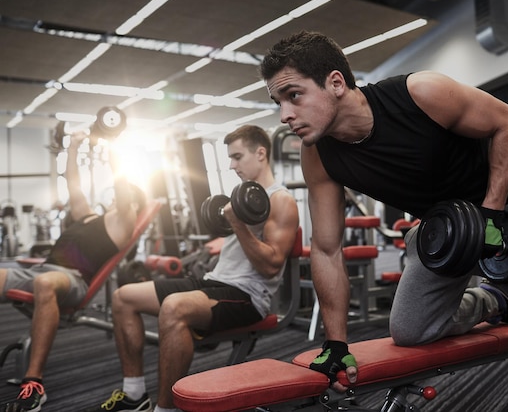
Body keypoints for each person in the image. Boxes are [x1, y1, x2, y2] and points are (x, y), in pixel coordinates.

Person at [260, 30, 508, 392]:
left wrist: (490, 216)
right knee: (412, 331)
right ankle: (493, 300)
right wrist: (337, 344)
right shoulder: (318, 156)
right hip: (446, 226)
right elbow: (326, 248)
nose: (284, 115)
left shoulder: (421, 94)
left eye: (294, 96)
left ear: (335, 82)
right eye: (278, 102)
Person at [87, 125, 299, 412]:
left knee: (174, 307)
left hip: (249, 296)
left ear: (260, 153)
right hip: (214, 281)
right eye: (230, 158)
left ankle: (166, 409)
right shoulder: (244, 197)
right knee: (123, 297)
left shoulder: (280, 199)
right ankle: (135, 394)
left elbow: (272, 266)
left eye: (237, 157)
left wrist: (237, 224)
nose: (231, 165)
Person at [0, 132, 146, 412]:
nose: (115, 197)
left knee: (44, 283)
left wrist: (113, 148)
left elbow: (121, 185)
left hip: (72, 280)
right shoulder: (90, 215)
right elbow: (74, 184)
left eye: (122, 197)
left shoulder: (123, 223)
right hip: (42, 271)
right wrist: (74, 146)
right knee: (35, 278)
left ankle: (33, 385)